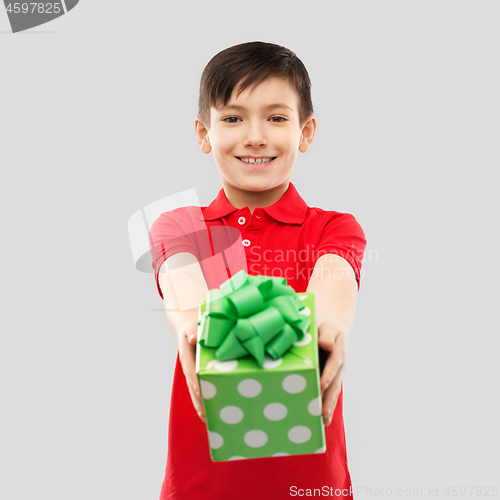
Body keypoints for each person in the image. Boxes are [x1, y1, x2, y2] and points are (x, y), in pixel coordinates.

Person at [148, 41, 367, 499]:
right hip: (199, 487)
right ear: (203, 133)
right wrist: (192, 327)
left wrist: (330, 329)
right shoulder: (181, 225)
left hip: (311, 487)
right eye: (232, 118)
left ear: (305, 132)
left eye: (276, 117)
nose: (255, 136)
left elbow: (335, 279)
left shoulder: (331, 228)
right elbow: (180, 280)